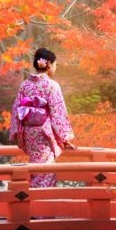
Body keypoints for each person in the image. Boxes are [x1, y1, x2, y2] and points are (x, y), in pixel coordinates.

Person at [9, 48, 77, 187]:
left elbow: (16, 109)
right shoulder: (52, 86)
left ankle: (36, 200)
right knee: (45, 170)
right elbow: (58, 112)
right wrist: (65, 138)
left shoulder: (25, 85)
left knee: (36, 167)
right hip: (44, 134)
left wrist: (16, 133)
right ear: (49, 64)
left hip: (29, 133)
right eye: (56, 65)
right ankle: (40, 202)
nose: (56, 68)